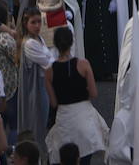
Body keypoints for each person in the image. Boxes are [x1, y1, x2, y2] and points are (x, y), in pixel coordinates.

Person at [43, 28, 107, 165]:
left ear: (55, 44)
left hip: (64, 117)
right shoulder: (83, 64)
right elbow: (94, 93)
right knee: (85, 156)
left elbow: (53, 103)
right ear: (71, 42)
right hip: (83, 116)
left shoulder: (49, 71)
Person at [16, 10, 52, 155]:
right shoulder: (30, 43)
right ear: (26, 24)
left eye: (39, 22)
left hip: (42, 84)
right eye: (33, 22)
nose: (37, 26)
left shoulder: (39, 39)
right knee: (36, 121)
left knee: (42, 122)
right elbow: (47, 62)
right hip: (35, 87)